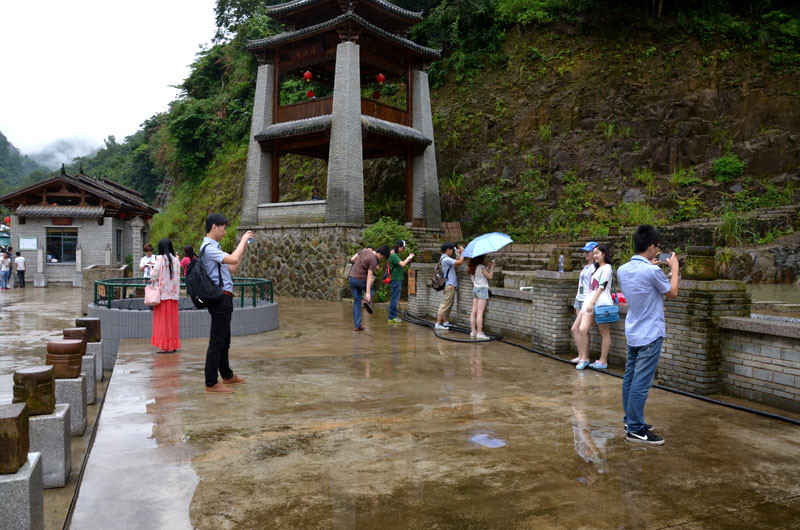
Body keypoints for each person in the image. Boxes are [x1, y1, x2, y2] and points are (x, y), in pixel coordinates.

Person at [617, 225, 679, 445]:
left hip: (633, 329)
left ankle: (630, 420)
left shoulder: (622, 269)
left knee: (630, 377)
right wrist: (675, 268)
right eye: (658, 247)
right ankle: (635, 429)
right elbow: (672, 292)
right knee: (641, 383)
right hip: (650, 332)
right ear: (652, 247)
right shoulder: (652, 271)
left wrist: (654, 268)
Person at [200, 213, 254, 393]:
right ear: (214, 227)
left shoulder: (214, 248)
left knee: (224, 340)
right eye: (223, 228)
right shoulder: (209, 248)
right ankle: (210, 382)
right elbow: (234, 259)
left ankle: (227, 375)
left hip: (225, 297)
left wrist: (242, 246)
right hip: (220, 298)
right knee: (217, 341)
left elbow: (232, 268)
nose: (225, 231)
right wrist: (244, 240)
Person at [575, 244, 614, 370]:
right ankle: (584, 358)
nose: (595, 255)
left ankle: (603, 360)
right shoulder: (596, 268)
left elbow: (602, 286)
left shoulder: (607, 268)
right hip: (590, 301)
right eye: (594, 253)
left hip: (601, 302)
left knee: (604, 332)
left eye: (597, 253)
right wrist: (590, 302)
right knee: (582, 329)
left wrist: (592, 302)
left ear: (604, 254)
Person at [348, 245, 390, 331]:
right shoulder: (374, 261)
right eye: (383, 257)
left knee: (356, 302)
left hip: (352, 278)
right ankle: (367, 301)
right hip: (361, 280)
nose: (381, 259)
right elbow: (369, 277)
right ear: (381, 254)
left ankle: (357, 325)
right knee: (370, 290)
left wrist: (359, 264)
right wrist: (367, 293)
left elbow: (352, 259)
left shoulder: (364, 250)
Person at [151, 238, 181, 353]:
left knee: (162, 321)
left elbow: (154, 275)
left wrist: (151, 271)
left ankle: (164, 346)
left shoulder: (160, 259)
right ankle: (172, 345)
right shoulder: (176, 260)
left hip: (163, 295)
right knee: (172, 322)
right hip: (173, 296)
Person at [570, 241, 598, 363]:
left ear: (594, 252)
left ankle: (584, 357)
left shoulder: (595, 268)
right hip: (579, 299)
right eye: (585, 251)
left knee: (579, 329)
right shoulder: (586, 266)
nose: (586, 253)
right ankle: (582, 355)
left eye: (588, 251)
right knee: (581, 330)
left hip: (587, 301)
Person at [434, 242, 466, 330]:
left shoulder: (443, 258)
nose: (452, 251)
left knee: (449, 305)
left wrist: (458, 256)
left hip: (449, 285)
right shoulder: (446, 259)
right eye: (451, 249)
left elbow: (455, 265)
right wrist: (463, 252)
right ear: (448, 249)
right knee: (445, 304)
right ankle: (437, 323)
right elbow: (460, 262)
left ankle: (446, 322)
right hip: (450, 285)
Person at [387, 240, 415, 323]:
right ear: (399, 247)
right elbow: (402, 264)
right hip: (396, 279)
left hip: (397, 279)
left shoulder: (394, 255)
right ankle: (392, 317)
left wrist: (408, 260)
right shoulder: (394, 255)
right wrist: (408, 258)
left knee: (394, 298)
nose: (403, 250)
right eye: (403, 248)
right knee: (394, 299)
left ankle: (392, 316)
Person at [468, 254, 495, 340]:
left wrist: (489, 267)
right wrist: (493, 267)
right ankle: (479, 333)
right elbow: (490, 276)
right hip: (482, 290)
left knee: (473, 312)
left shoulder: (472, 268)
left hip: (475, 289)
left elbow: (481, 276)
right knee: (480, 313)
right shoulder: (480, 267)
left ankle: (473, 331)